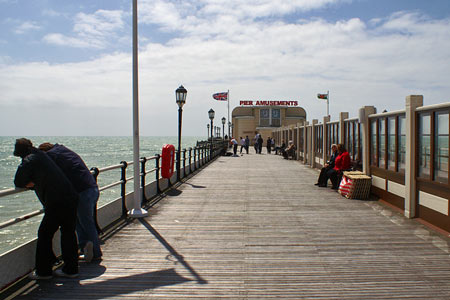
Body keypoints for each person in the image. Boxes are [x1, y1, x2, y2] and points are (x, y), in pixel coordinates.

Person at [13, 138, 79, 279]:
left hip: (56, 201)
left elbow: (19, 180)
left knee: (44, 234)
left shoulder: (30, 159)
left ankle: (43, 272)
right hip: (70, 197)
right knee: (68, 232)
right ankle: (71, 269)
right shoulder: (42, 155)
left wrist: (31, 183)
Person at [39, 143, 102, 262]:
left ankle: (96, 252)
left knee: (85, 223)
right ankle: (85, 249)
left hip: (81, 191)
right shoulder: (63, 151)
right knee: (79, 221)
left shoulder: (51, 156)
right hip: (91, 188)